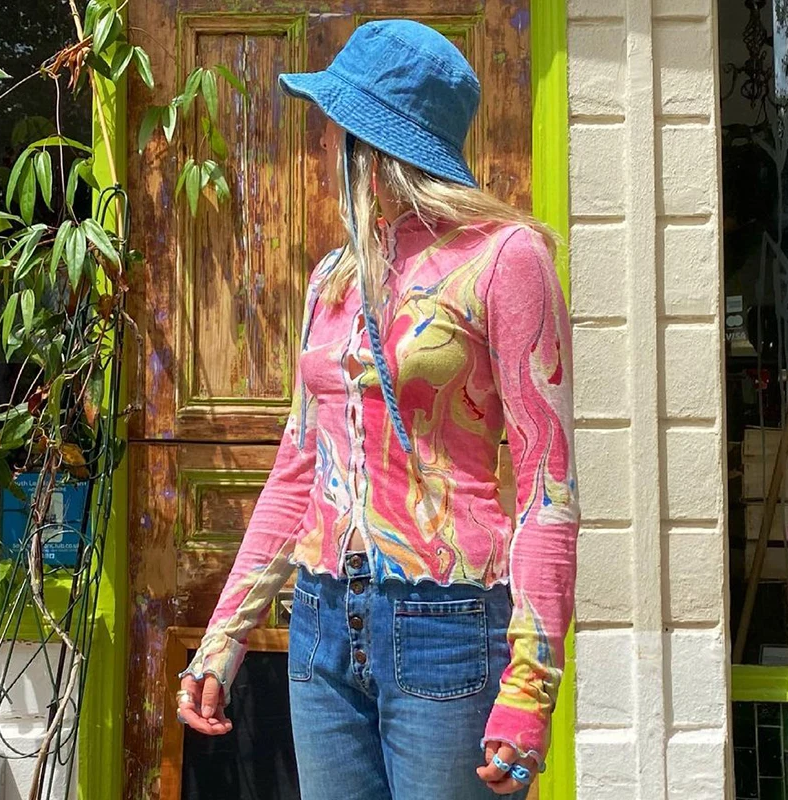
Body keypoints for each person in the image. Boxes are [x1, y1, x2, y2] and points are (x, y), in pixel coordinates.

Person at [176, 18, 579, 800]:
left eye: (339, 127)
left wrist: (532, 684)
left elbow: (546, 486)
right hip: (320, 622)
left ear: (371, 143)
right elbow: (299, 469)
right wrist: (224, 636)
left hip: (447, 624)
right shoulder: (333, 276)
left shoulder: (506, 257)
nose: (329, 145)